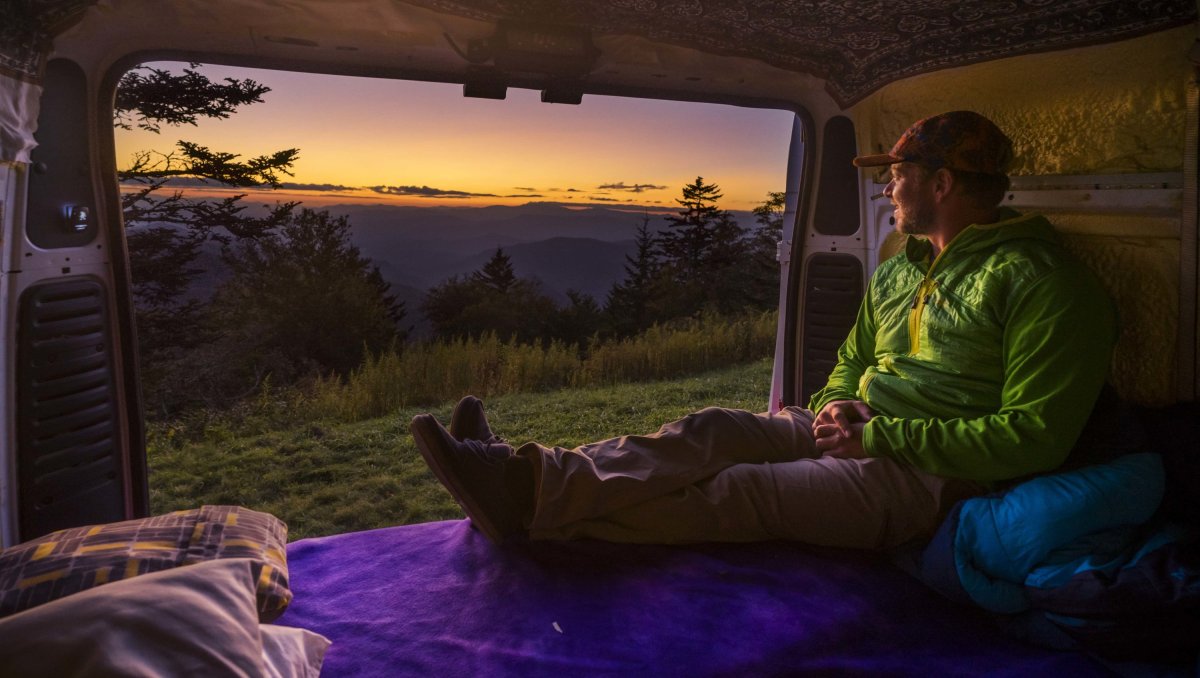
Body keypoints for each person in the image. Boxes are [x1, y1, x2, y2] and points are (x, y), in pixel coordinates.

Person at [410, 110, 1118, 549]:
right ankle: (526, 476)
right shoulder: (904, 265)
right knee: (713, 429)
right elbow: (854, 358)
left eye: (896, 173)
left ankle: (526, 511)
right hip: (856, 427)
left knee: (741, 490)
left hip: (934, 478)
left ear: (941, 182)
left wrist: (879, 437)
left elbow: (1034, 436)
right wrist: (841, 403)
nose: (885, 187)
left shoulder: (1045, 283)